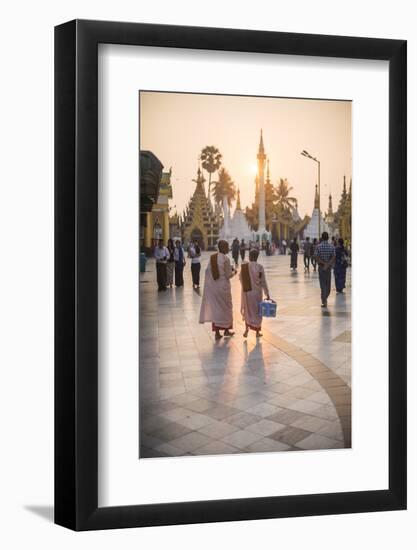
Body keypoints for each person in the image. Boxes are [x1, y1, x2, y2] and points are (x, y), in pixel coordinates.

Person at [199, 240, 236, 340]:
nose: (228, 248)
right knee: (226, 309)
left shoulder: (213, 258)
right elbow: (228, 275)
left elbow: (208, 271)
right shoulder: (226, 259)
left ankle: (217, 333)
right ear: (223, 248)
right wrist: (234, 272)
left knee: (216, 309)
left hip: (214, 288)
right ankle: (227, 330)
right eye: (227, 247)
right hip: (223, 288)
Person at [240, 248, 270, 338]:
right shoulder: (260, 267)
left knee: (248, 311)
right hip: (257, 293)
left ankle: (246, 330)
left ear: (249, 257)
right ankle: (257, 332)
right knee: (257, 312)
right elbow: (263, 281)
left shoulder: (245, 266)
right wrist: (267, 293)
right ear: (257, 257)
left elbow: (241, 278)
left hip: (247, 293)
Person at [314, 231, 336, 307]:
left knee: (323, 284)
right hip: (328, 268)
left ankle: (324, 299)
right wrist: (328, 264)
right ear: (328, 238)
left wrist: (323, 264)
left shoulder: (318, 247)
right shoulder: (332, 246)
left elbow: (316, 257)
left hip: (321, 267)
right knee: (328, 284)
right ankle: (324, 299)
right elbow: (333, 257)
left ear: (322, 237)